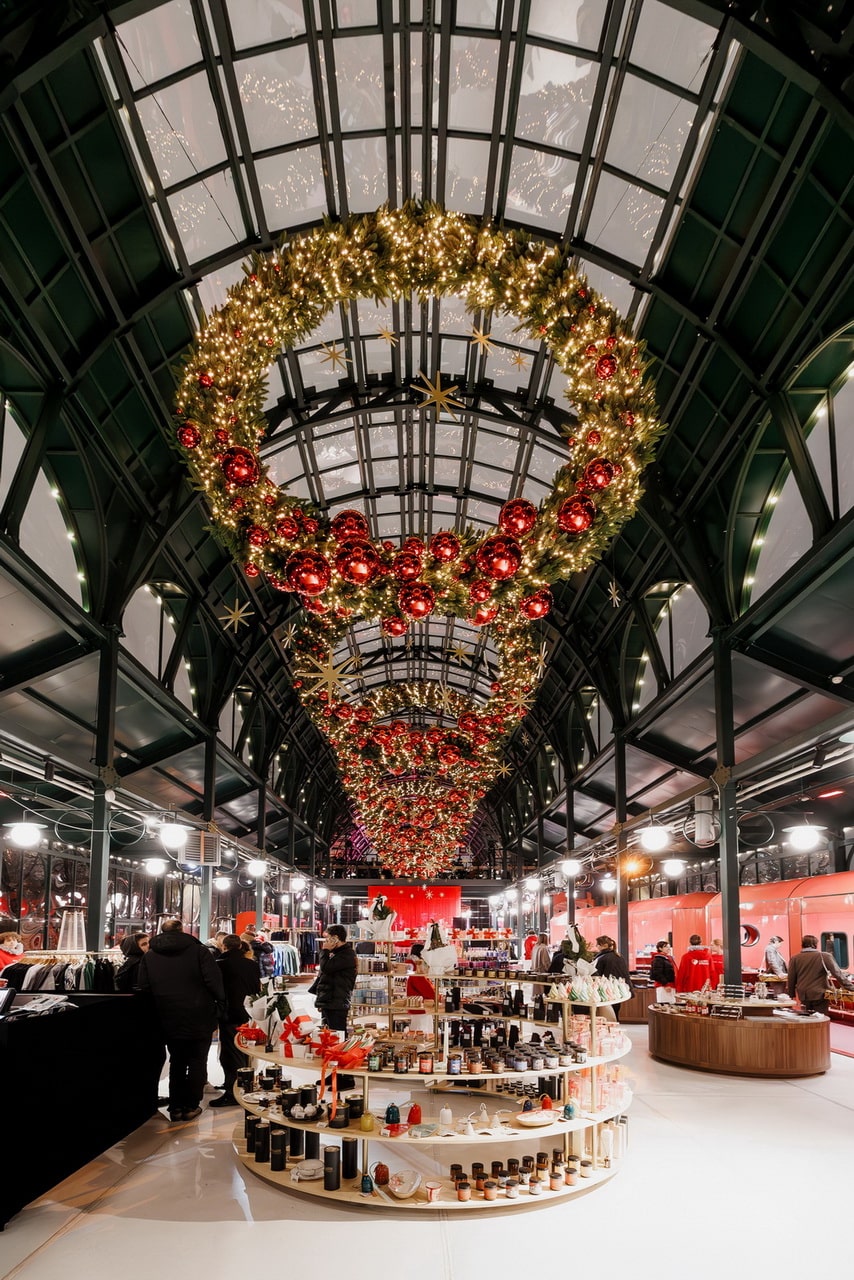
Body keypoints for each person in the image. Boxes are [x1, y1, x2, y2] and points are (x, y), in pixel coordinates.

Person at [136, 918, 225, 1122]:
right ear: (182, 930)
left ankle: (175, 1107)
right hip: (199, 1014)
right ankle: (191, 1106)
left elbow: (143, 986)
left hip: (167, 1016)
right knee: (197, 1059)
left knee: (177, 1060)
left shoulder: (150, 955)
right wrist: (220, 1006)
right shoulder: (199, 951)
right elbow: (214, 981)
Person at [115, 932, 164, 1113]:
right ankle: (148, 1099)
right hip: (145, 1020)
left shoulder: (130, 964)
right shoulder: (140, 964)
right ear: (134, 947)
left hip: (138, 1020)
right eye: (144, 944)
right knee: (152, 1059)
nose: (148, 947)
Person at [210, 934, 261, 1107]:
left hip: (229, 1014)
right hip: (248, 1013)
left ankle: (234, 1092)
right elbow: (256, 989)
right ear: (240, 947)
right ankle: (241, 1086)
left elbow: (216, 990)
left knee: (230, 1053)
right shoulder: (252, 965)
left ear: (224, 947)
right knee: (243, 1051)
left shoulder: (219, 965)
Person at [787, 934, 854, 1015]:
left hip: (803, 994)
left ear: (803, 944)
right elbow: (838, 974)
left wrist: (791, 994)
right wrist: (851, 988)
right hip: (820, 993)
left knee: (806, 1017)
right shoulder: (824, 956)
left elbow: (791, 978)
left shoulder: (795, 958)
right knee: (821, 1018)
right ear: (815, 944)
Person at [308, 924, 357, 1032]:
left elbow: (326, 968)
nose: (326, 942)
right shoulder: (337, 953)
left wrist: (324, 951)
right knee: (328, 1034)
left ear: (336, 938)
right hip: (330, 1001)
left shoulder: (346, 955)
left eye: (328, 938)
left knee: (337, 1034)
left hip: (337, 1002)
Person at [592, 936, 633, 1020]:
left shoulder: (601, 958)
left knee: (606, 1014)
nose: (597, 947)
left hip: (607, 990)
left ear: (604, 945)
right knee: (615, 1011)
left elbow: (597, 975)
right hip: (618, 989)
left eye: (597, 944)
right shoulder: (618, 956)